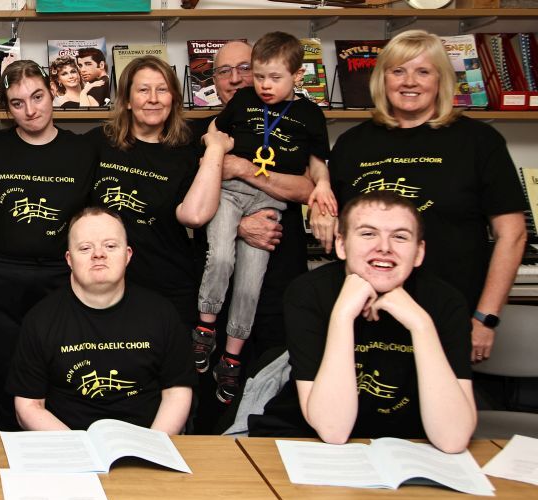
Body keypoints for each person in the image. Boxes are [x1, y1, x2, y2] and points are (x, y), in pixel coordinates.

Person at [326, 29, 526, 365]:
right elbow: (337, 220)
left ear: (441, 79)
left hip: (450, 316)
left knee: (443, 415)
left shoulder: (479, 141)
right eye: (398, 71)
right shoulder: (351, 143)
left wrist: (485, 318)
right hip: (366, 315)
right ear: (382, 79)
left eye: (423, 71)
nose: (410, 82)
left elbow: (513, 233)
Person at [267, 192, 475, 453]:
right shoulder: (308, 293)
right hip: (309, 441)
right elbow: (333, 430)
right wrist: (343, 315)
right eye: (368, 234)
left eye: (400, 236)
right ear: (341, 245)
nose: (384, 247)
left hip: (410, 446)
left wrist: (421, 324)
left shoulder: (446, 302)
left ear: (419, 252)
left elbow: (453, 439)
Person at [194, 32, 336, 405]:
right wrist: (238, 223)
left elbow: (311, 184)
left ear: (295, 76)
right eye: (227, 71)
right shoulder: (216, 126)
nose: (242, 79)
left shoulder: (305, 117)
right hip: (211, 285)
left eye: (247, 69)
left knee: (268, 389)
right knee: (207, 401)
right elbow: (189, 210)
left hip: (277, 283)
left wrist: (245, 169)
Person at [0, 60, 94, 431]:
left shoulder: (81, 150)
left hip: (58, 274)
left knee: (60, 369)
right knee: (2, 371)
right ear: (7, 108)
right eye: (17, 103)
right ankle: (5, 451)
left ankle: (60, 447)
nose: (31, 110)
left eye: (37, 96)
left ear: (53, 92)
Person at [8, 207, 194, 433]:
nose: (98, 254)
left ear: (128, 255)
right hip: (69, 449)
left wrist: (153, 446)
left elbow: (177, 391)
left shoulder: (162, 314)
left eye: (110, 246)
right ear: (69, 259)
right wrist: (79, 450)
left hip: (146, 446)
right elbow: (28, 405)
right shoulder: (40, 320)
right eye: (85, 248)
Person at [85, 56, 232, 326]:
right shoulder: (97, 143)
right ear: (127, 100)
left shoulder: (187, 152)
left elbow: (196, 216)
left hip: (169, 285)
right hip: (104, 285)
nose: (153, 98)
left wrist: (214, 149)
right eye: (143, 90)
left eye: (162, 90)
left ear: (174, 99)